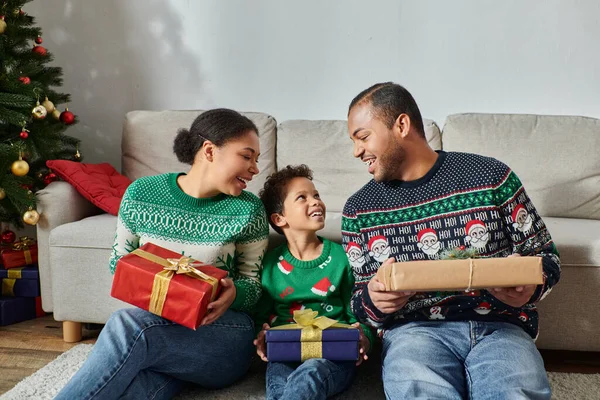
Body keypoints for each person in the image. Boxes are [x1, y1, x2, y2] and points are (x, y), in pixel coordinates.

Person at [342, 82, 560, 399]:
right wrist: (375, 301)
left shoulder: (491, 177)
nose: (356, 151)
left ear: (401, 125)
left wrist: (529, 287)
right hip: (413, 333)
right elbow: (359, 299)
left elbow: (547, 257)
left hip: (501, 326)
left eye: (363, 137)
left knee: (515, 392)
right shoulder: (359, 211)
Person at [56, 108, 269, 399]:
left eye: (256, 159)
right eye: (246, 156)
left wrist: (234, 293)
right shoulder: (142, 193)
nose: (255, 168)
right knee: (136, 376)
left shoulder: (248, 209)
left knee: (129, 328)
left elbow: (254, 285)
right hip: (159, 330)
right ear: (209, 150)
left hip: (222, 337)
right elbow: (120, 263)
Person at [254, 164, 373, 400]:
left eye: (316, 195)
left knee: (309, 375)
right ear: (280, 218)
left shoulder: (342, 257)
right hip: (285, 353)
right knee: (278, 387)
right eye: (302, 197)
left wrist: (364, 338)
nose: (316, 201)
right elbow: (261, 316)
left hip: (333, 355)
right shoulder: (269, 263)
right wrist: (261, 335)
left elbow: (359, 313)